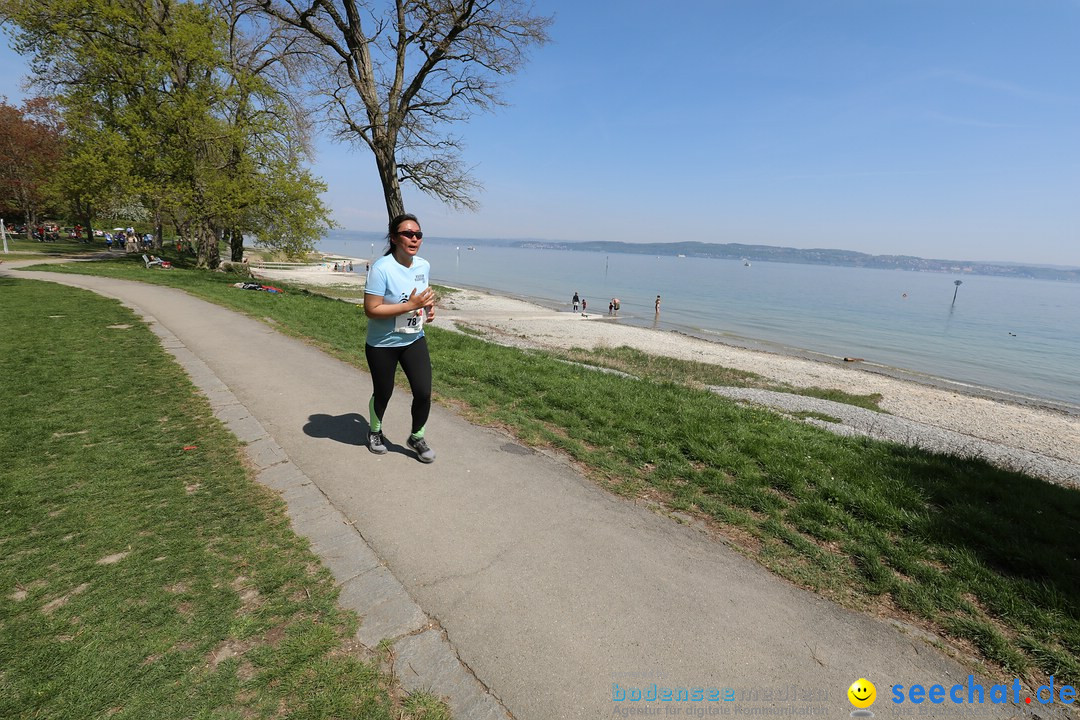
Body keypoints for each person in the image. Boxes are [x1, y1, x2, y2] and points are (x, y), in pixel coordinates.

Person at [363, 213, 437, 463]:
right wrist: (410, 305)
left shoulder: (423, 265)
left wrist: (428, 308)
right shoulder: (381, 269)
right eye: (408, 234)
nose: (414, 238)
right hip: (383, 344)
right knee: (384, 392)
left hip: (414, 338)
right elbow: (371, 310)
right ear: (394, 238)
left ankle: (417, 437)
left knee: (424, 391)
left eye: (418, 234)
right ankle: (375, 431)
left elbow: (420, 296)